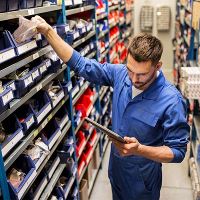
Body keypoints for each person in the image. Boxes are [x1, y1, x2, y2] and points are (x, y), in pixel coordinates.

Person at [33, 16, 190, 200]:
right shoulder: (121, 74)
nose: (133, 79)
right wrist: (48, 32)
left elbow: (178, 151)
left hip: (142, 183)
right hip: (116, 170)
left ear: (158, 66)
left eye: (142, 74)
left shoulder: (172, 100)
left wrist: (140, 150)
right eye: (130, 70)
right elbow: (81, 64)